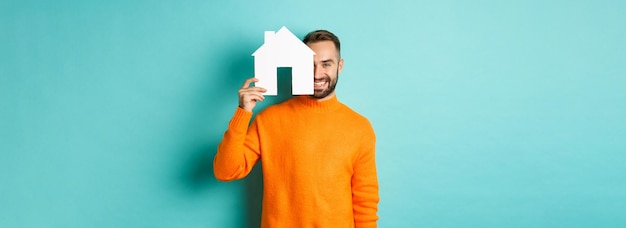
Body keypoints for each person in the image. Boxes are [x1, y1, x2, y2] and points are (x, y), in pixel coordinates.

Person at [214, 29, 379, 227]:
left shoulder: (359, 127)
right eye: (310, 65)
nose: (317, 73)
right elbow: (225, 171)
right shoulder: (269, 120)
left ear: (340, 66)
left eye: (326, 64)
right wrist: (243, 112)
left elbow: (365, 201)